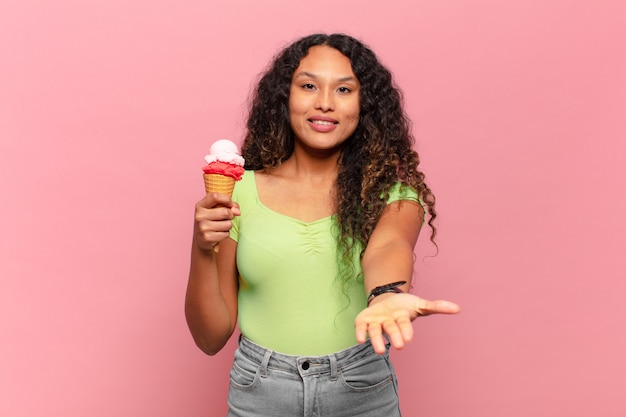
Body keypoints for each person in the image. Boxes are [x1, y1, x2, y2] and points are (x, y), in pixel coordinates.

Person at [185, 33, 460, 416]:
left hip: (360, 386)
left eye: (344, 89)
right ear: (285, 97)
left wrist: (385, 294)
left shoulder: (391, 194)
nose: (325, 103)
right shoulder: (238, 192)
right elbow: (210, 337)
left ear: (365, 106)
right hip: (260, 389)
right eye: (309, 86)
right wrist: (201, 248)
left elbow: (388, 247)